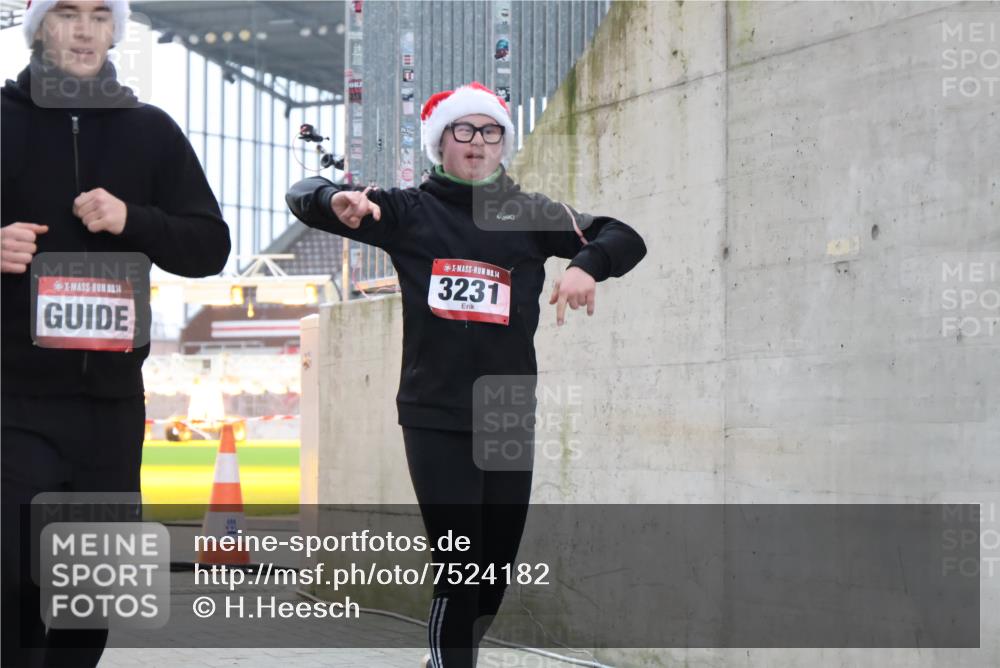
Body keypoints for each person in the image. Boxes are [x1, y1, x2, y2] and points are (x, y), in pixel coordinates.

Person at [287, 81, 646, 667]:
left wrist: (587, 264)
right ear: (440, 143)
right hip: (436, 412)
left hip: (505, 408)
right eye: (463, 131)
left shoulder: (532, 215)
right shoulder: (406, 210)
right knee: (461, 567)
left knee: (493, 575)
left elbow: (623, 236)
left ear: (503, 143)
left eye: (490, 131)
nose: (477, 143)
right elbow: (303, 191)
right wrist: (331, 201)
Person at [1, 1, 231, 666]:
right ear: (39, 27)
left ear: (115, 32)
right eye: (66, 12)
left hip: (110, 404)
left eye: (100, 15)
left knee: (89, 595)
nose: (83, 28)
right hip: (13, 401)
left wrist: (135, 219)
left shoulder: (151, 132)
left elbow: (209, 246)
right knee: (17, 574)